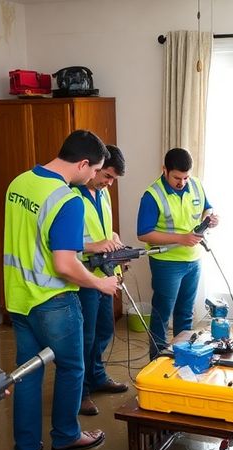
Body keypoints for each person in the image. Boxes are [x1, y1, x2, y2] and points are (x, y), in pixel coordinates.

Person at [3, 130, 120, 450]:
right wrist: (100, 284)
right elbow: (65, 264)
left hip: (19, 298)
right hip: (53, 299)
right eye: (94, 170)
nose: (92, 177)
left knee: (27, 373)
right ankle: (66, 436)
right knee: (71, 367)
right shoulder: (67, 199)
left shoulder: (19, 183)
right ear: (83, 164)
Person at [137, 148, 218, 357]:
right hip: (166, 263)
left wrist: (209, 219)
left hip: (193, 260)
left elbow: (207, 208)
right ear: (164, 170)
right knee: (162, 315)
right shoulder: (152, 195)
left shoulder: (196, 184)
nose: (182, 182)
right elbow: (144, 234)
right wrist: (181, 238)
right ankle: (157, 361)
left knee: (185, 313)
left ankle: (182, 358)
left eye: (186, 177)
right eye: (177, 177)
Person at [74, 144, 130, 417]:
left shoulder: (103, 194)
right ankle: (81, 392)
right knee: (85, 337)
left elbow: (105, 230)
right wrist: (96, 245)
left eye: (113, 179)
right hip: (84, 278)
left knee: (105, 331)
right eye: (106, 175)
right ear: (94, 166)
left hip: (106, 276)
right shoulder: (73, 196)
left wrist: (115, 241)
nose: (109, 183)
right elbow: (64, 245)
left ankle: (97, 376)